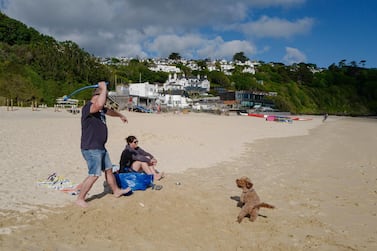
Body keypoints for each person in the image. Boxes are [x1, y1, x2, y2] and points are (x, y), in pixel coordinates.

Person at [76, 81, 131, 208]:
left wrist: (120, 115)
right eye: (105, 97)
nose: (105, 100)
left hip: (100, 147)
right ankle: (80, 199)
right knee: (94, 174)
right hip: (91, 148)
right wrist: (104, 88)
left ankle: (116, 191)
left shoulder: (100, 109)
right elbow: (100, 104)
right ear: (99, 95)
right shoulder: (88, 107)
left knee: (109, 170)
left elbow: (109, 111)